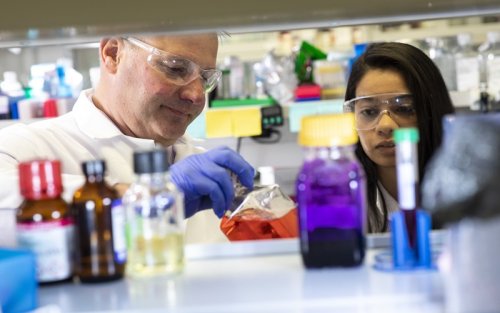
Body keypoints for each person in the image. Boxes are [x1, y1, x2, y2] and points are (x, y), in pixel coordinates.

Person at [0, 33, 254, 243]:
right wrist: (150, 197)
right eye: (175, 68)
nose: (197, 96)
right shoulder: (23, 147)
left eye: (206, 78)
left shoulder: (206, 173)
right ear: (112, 53)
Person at [343, 42, 455, 232]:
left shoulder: (470, 191)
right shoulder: (343, 201)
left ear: (433, 111)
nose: (386, 126)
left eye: (404, 109)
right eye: (369, 111)